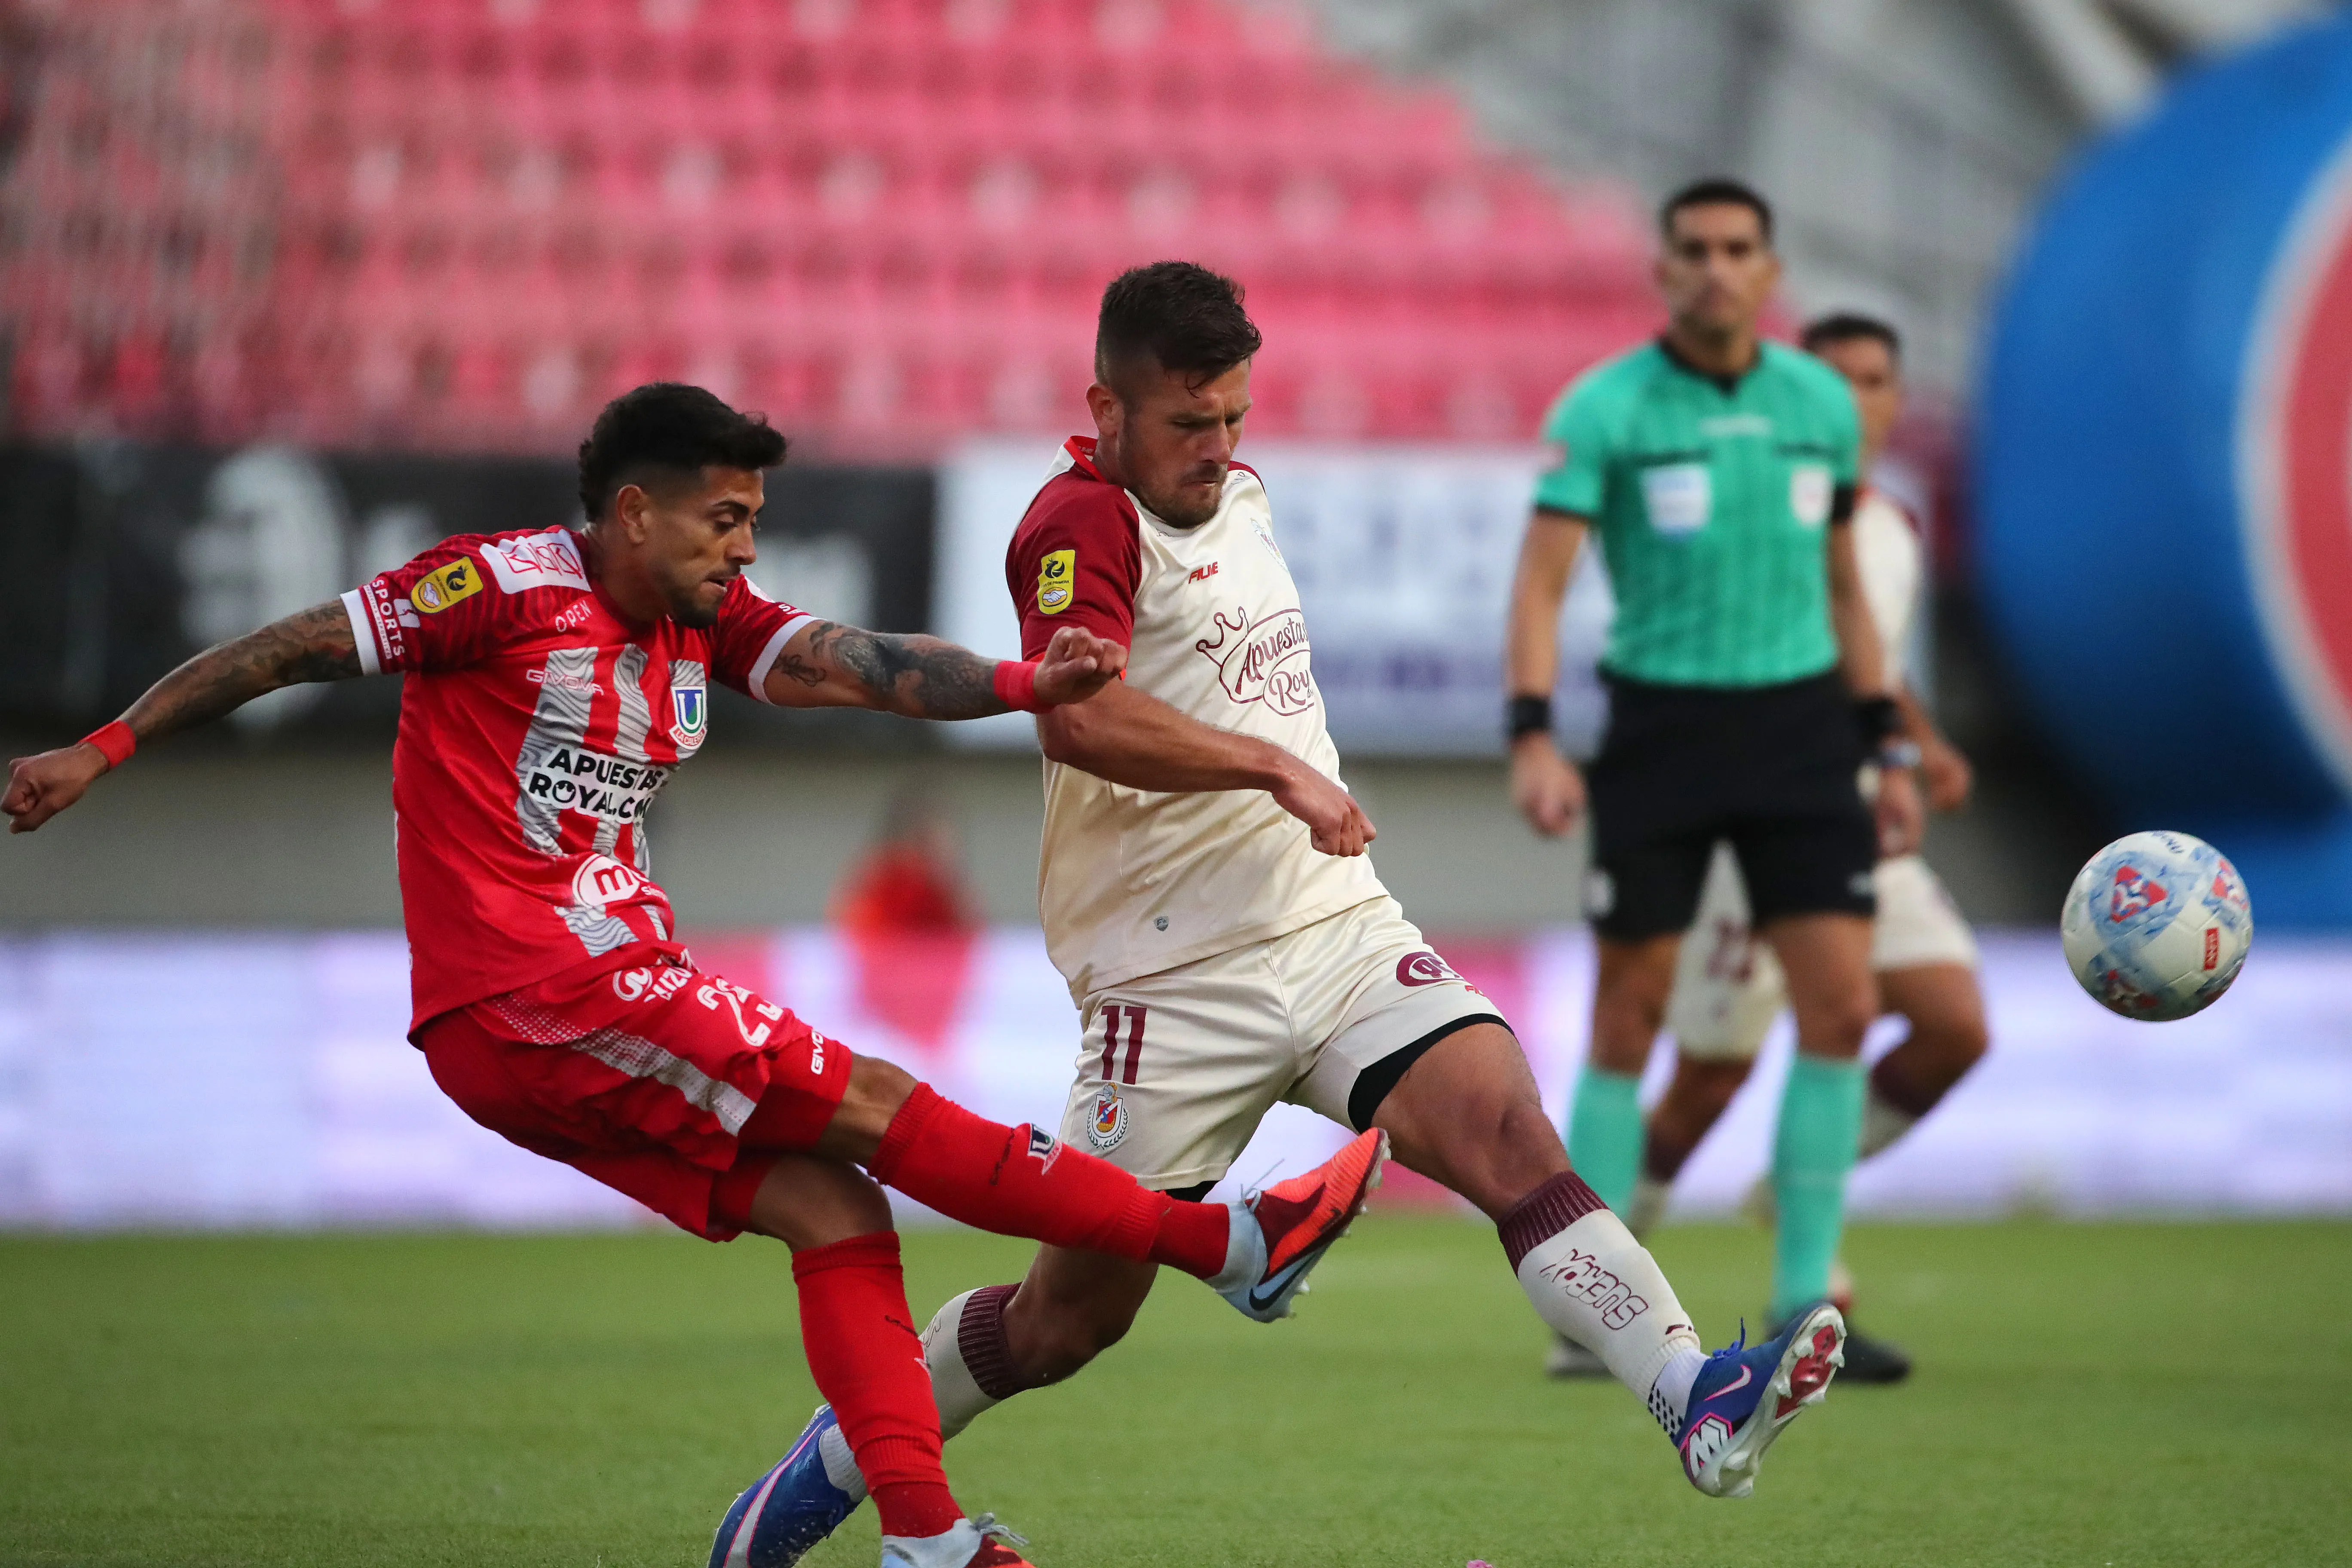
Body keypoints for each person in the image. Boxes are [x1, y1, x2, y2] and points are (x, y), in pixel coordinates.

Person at [2, 383, 1390, 1568]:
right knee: (876, 1105)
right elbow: (291, 645)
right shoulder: (494, 589)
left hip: (555, 1021)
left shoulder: (702, 628)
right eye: (724, 520)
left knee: (835, 1209)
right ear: (633, 516)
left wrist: (1031, 687)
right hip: (549, 991)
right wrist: (101, 750)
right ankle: (1230, 1248)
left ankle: (921, 1535)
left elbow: (868, 670)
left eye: (753, 524)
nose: (743, 548)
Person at [719, 262, 1848, 1567]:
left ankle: (1693, 1396)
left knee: (1508, 1132)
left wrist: (1285, 782)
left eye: (1232, 419)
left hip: (1334, 927)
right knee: (1065, 1321)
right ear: (1106, 408)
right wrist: (1272, 767)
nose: (1215, 450)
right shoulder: (1077, 522)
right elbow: (1076, 715)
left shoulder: (1241, 498)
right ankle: (827, 1471)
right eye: (1187, 424)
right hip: (1170, 983)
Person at [1504, 181, 1922, 1383]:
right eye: (1693, 251)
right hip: (1663, 731)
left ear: (1769, 265)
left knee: (1840, 1008)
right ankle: (1595, 1312)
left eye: (1739, 250)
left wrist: (1884, 741)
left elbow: (1845, 586)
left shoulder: (1817, 407)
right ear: (1663, 268)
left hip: (1799, 732)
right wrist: (1533, 733)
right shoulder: (1609, 408)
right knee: (1629, 1016)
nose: (1717, 270)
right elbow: (1541, 582)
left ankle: (1806, 1308)